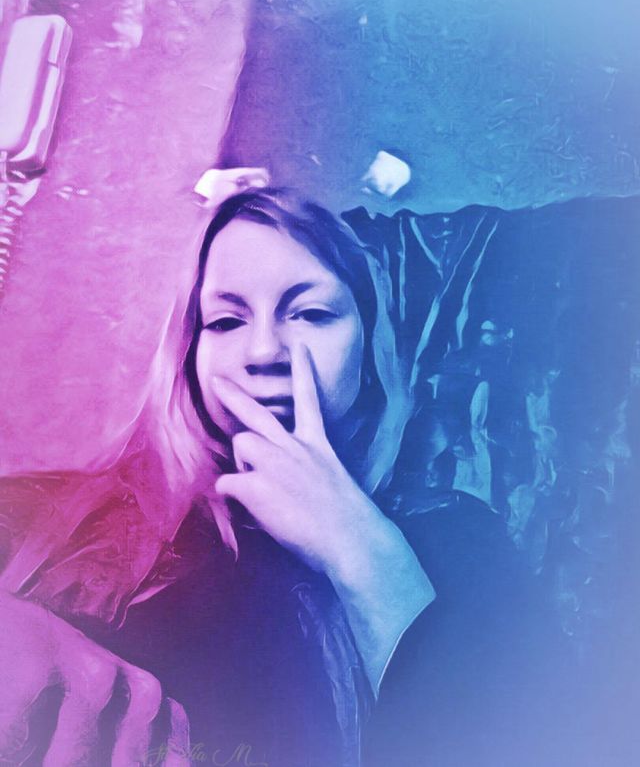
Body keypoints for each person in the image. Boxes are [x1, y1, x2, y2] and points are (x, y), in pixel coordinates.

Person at [0, 185, 563, 767]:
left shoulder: (461, 539)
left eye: (311, 313)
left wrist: (359, 548)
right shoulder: (56, 514)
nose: (264, 350)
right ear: (189, 356)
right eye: (225, 320)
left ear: (369, 349)